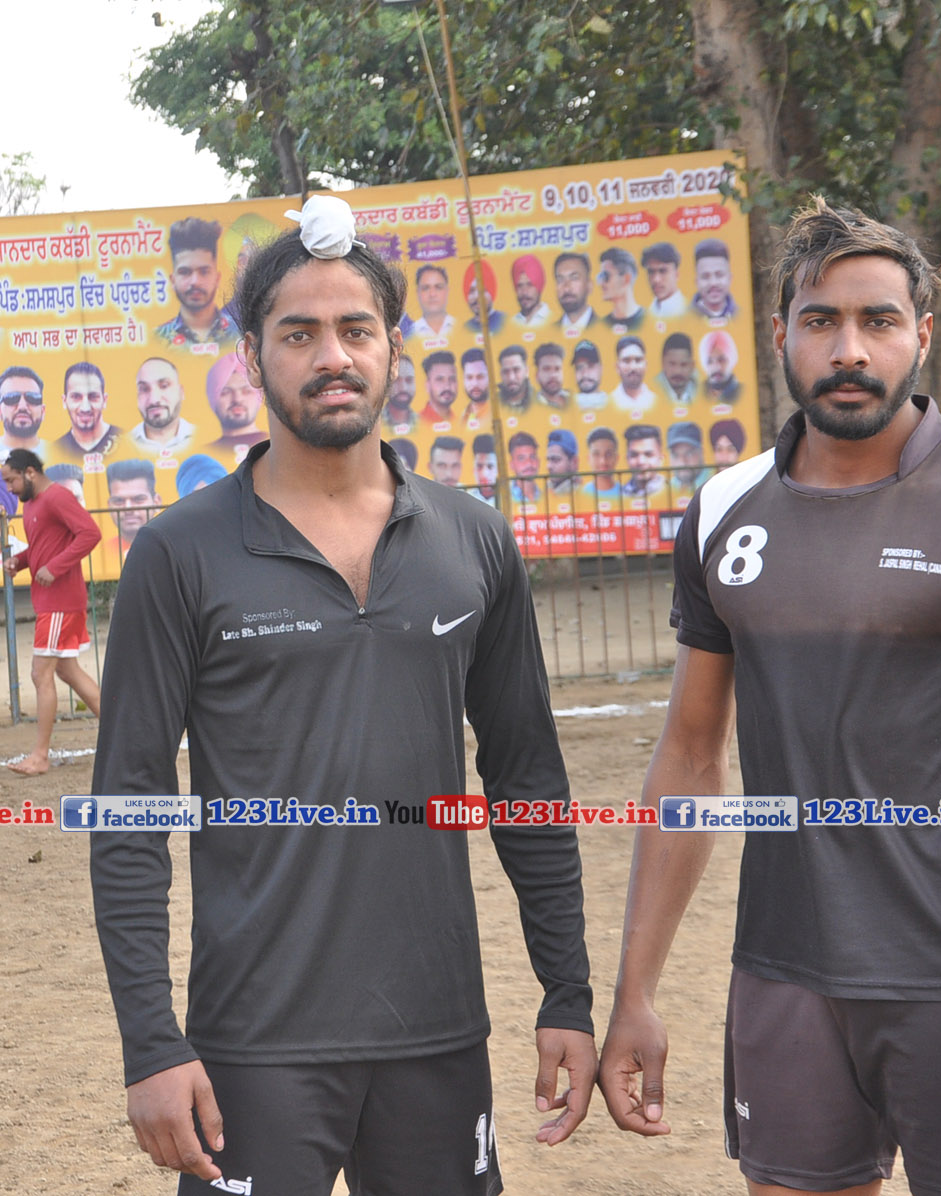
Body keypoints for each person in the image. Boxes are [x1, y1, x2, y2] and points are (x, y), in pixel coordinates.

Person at [599, 198, 941, 1196]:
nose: (849, 348)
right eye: (821, 320)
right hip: (781, 973)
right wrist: (634, 989)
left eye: (879, 320)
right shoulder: (722, 509)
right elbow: (689, 754)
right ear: (780, 333)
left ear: (922, 334)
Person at [89, 196, 593, 1194]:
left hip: (437, 1032)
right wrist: (150, 1041)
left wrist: (566, 990)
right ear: (250, 354)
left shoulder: (473, 540)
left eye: (356, 329)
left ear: (394, 345)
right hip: (252, 1041)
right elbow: (129, 810)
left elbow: (527, 776)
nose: (333, 356)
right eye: (299, 333)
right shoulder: (179, 553)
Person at [0, 448, 103, 773]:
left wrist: (55, 568)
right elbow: (45, 545)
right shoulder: (33, 504)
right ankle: (127, 737)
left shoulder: (57, 497)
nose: (10, 488)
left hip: (60, 602)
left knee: (40, 673)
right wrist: (21, 561)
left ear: (29, 472)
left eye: (11, 480)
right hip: (52, 602)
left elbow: (91, 533)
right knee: (67, 671)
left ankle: (40, 756)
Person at [155, 218, 240, 347]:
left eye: (204, 272)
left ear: (217, 278)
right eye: (185, 272)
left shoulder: (239, 334)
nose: (195, 281)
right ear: (173, 280)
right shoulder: (159, 338)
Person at [53, 362, 125, 462]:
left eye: (93, 397)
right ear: (64, 401)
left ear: (104, 400)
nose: (85, 408)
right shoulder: (55, 451)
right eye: (76, 397)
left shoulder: (127, 443)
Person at [0, 367, 55, 462]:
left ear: (42, 411)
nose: (22, 406)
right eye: (12, 398)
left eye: (32, 398)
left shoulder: (59, 455)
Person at [131, 357, 197, 454]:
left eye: (164, 386)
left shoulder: (202, 439)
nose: (154, 399)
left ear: (181, 392)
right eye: (144, 389)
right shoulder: (123, 444)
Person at [205, 353, 267, 452]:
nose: (237, 399)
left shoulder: (277, 446)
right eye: (226, 392)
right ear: (212, 399)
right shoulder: (206, 451)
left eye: (246, 391)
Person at [102, 456, 160, 559]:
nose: (128, 508)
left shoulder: (172, 549)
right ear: (109, 505)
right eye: (119, 501)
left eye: (138, 499)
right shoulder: (99, 552)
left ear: (156, 502)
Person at [598, 247, 645, 335]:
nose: (601, 283)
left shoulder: (649, 320)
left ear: (626, 279)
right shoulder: (601, 325)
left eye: (605, 276)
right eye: (600, 277)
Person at [406, 263, 457, 343]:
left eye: (438, 287)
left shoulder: (460, 326)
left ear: (447, 290)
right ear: (417, 292)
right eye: (425, 288)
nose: (432, 294)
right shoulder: (409, 333)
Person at [691, 237, 737, 319]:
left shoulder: (740, 314)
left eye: (719, 275)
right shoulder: (685, 317)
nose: (713, 283)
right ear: (696, 281)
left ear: (730, 278)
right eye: (705, 276)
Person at [621, 423, 668, 503]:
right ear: (627, 458)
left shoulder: (672, 492)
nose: (641, 461)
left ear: (661, 459)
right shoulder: (618, 495)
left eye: (648, 455)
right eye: (634, 455)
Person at [609, 335, 654, 414]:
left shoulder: (655, 402)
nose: (633, 367)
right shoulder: (608, 403)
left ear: (645, 365)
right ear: (617, 367)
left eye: (638, 360)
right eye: (626, 361)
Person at [640, 242, 687, 318]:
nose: (656, 279)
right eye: (651, 272)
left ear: (676, 275)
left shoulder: (689, 312)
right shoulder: (646, 314)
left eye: (663, 271)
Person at [462, 260, 506, 336]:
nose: (476, 296)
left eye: (482, 290)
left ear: (492, 292)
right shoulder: (465, 328)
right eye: (471, 291)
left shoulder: (504, 321)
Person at [666, 420, 708, 499]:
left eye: (689, 454)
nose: (682, 462)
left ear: (702, 452)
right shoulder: (666, 489)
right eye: (675, 455)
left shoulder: (715, 481)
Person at [655, 332, 698, 405]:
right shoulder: (652, 389)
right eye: (672, 364)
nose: (677, 371)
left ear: (692, 366)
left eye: (683, 365)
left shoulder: (703, 390)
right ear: (663, 364)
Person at [510, 254, 552, 326]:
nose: (524, 292)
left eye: (530, 285)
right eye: (520, 286)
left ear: (539, 286)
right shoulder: (512, 323)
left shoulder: (553, 320)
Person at [420, 349, 459, 426]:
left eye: (452, 379)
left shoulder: (460, 421)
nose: (447, 386)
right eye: (440, 379)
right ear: (428, 385)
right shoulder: (419, 422)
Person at [702, 329, 742, 404]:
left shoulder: (741, 393)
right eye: (710, 361)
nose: (716, 367)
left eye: (721, 360)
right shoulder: (698, 393)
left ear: (732, 360)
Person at [382, 355, 417, 431]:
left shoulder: (421, 422)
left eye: (409, 380)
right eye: (396, 380)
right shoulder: (376, 423)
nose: (403, 388)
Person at [583, 427, 620, 499]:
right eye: (596, 454)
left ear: (617, 458)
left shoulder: (626, 494)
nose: (603, 461)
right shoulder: (582, 494)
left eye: (608, 454)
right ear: (589, 458)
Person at [532, 343, 571, 409]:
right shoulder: (531, 407)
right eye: (546, 369)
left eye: (557, 369)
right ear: (537, 375)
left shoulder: (575, 401)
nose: (553, 375)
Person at [507, 429, 542, 504]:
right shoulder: (504, 497)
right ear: (512, 464)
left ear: (538, 461)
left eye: (532, 457)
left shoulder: (546, 494)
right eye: (521, 458)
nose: (529, 463)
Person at [459, 346, 491, 425]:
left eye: (480, 377)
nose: (475, 383)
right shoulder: (464, 417)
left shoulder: (500, 411)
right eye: (469, 377)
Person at [572, 339, 606, 410]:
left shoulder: (614, 404)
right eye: (579, 367)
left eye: (590, 366)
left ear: (600, 369)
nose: (585, 373)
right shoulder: (566, 408)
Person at [498, 344, 533, 412]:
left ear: (526, 371)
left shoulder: (540, 402)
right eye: (506, 371)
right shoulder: (492, 404)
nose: (511, 378)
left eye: (516, 370)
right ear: (501, 374)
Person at [467, 432, 499, 503]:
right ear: (473, 469)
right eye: (479, 466)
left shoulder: (510, 497)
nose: (484, 474)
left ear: (498, 469)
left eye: (490, 467)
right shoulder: (467, 499)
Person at [546, 428, 580, 493]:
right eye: (548, 460)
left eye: (555, 460)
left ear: (574, 462)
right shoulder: (547, 490)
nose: (549, 466)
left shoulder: (580, 491)